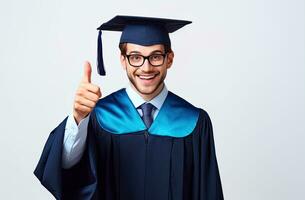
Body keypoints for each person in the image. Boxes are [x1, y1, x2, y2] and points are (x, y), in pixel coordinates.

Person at [34, 15, 224, 200]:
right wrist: (78, 119)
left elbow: (208, 191)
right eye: (135, 57)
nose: (146, 67)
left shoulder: (194, 121)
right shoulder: (99, 117)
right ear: (123, 60)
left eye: (156, 56)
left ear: (170, 59)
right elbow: (68, 170)